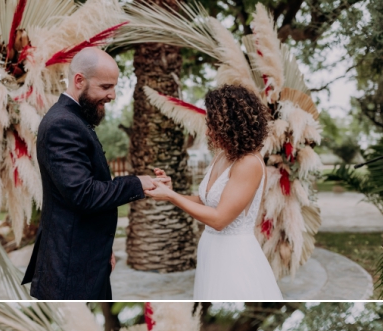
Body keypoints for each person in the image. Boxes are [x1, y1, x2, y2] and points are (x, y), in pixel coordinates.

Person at [22, 47, 157, 300]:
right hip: (69, 270)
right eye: (105, 87)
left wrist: (102, 248)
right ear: (79, 80)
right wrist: (136, 183)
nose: (112, 95)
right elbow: (83, 194)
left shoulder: (73, 119)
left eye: (114, 87)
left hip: (85, 257)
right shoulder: (63, 124)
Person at [143, 84, 282, 300]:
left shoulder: (249, 163)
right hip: (211, 248)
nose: (208, 131)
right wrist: (171, 191)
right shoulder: (222, 155)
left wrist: (172, 197)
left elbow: (219, 219)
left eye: (213, 124)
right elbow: (205, 201)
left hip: (234, 255)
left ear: (232, 125)